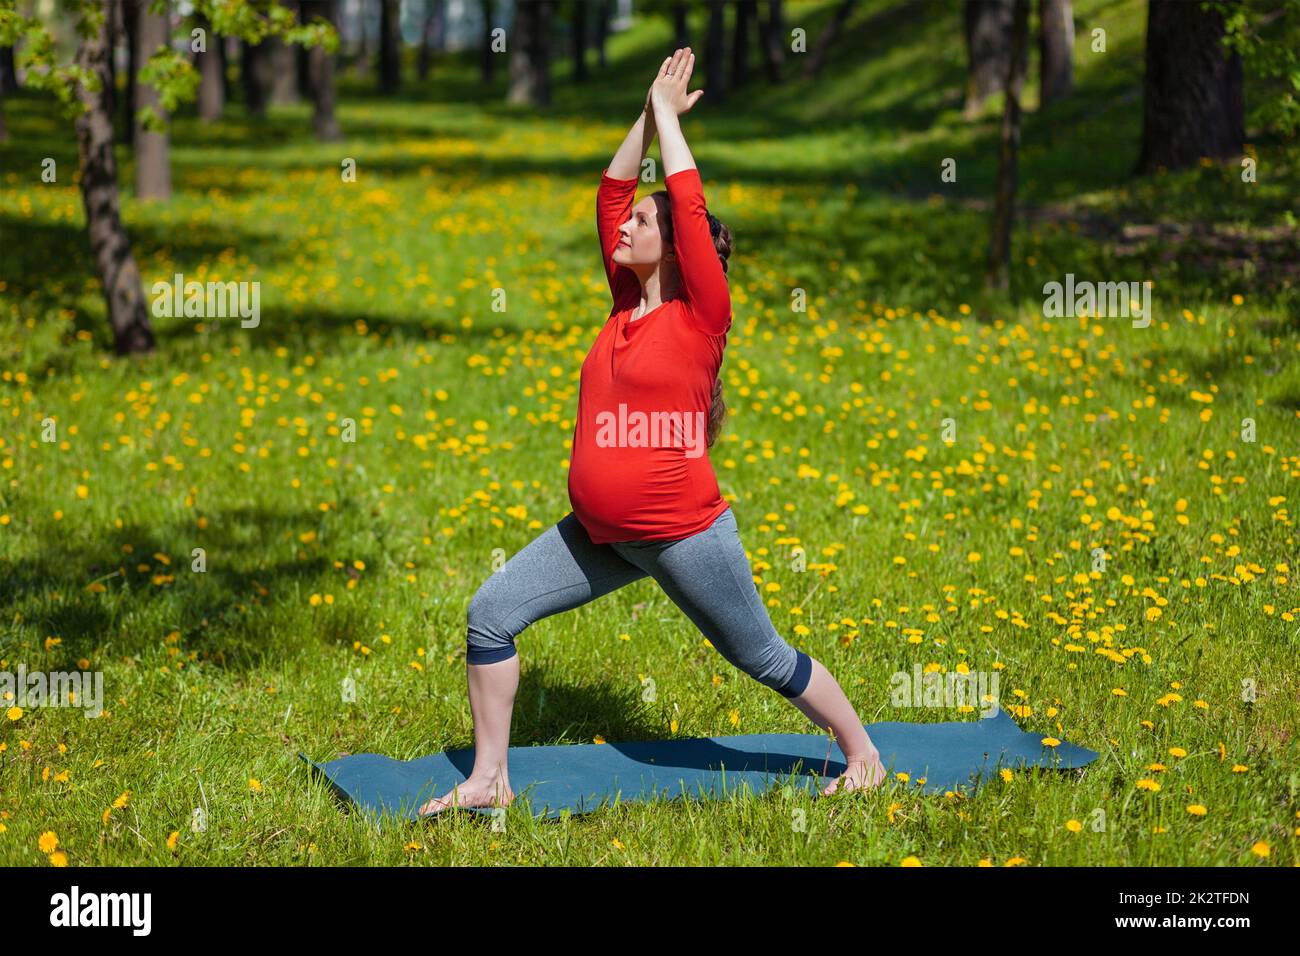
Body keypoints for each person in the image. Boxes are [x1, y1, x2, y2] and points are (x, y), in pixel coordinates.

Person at [418, 48, 886, 817]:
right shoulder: (623, 303)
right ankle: (488, 779)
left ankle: (862, 754)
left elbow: (686, 204)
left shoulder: (701, 314)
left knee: (760, 655)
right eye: (632, 217)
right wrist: (645, 112)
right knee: (490, 615)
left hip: (682, 535)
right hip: (600, 534)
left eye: (643, 219)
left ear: (673, 246)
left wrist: (670, 122)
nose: (626, 223)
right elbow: (609, 189)